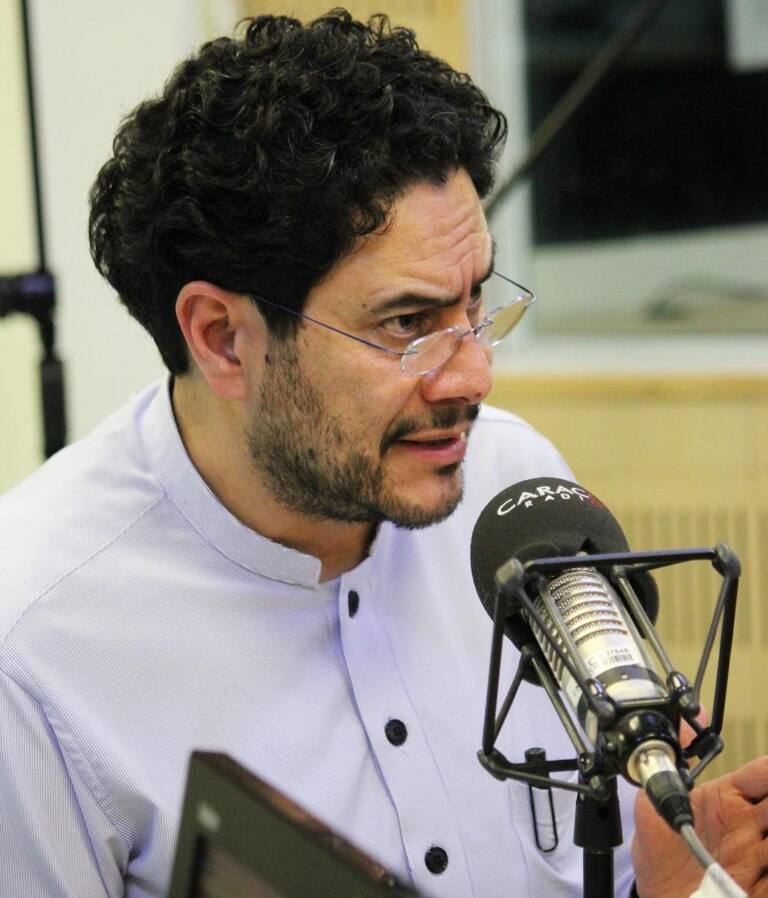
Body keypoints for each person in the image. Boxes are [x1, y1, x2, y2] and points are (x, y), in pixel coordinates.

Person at [0, 10, 766, 898]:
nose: (474, 374)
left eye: (474, 303)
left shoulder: (514, 488)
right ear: (222, 338)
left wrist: (659, 885)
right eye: (407, 323)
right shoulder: (35, 647)